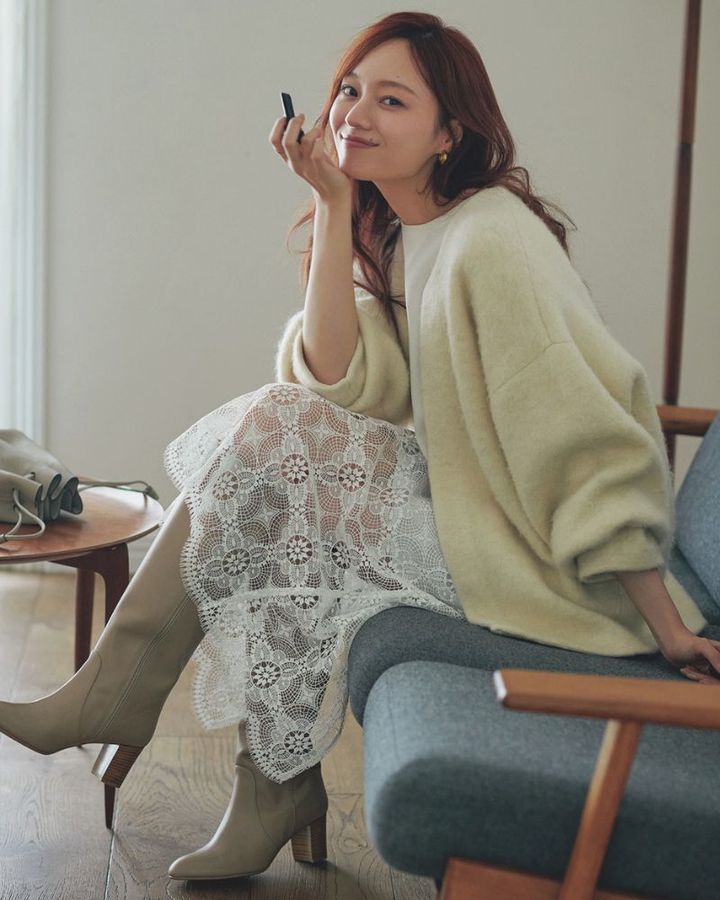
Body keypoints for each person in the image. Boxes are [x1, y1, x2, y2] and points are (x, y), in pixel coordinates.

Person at [1, 9, 720, 886]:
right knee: (280, 451)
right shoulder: (418, 231)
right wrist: (333, 204)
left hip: (545, 568)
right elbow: (341, 380)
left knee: (280, 443)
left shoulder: (491, 241)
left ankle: (163, 722)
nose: (356, 114)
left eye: (393, 100)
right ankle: (250, 771)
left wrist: (665, 626)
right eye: (350, 90)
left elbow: (581, 443)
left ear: (449, 134)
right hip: (479, 529)